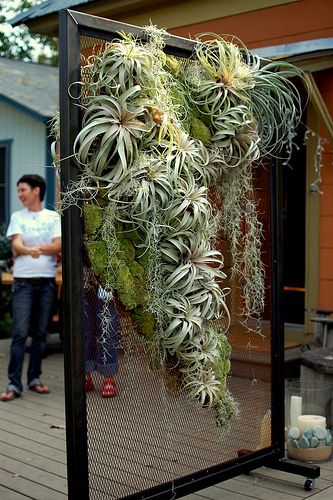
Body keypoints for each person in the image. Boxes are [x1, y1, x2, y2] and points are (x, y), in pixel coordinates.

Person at [0, 174, 61, 402]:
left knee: (40, 334)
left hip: (46, 281)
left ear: (36, 191)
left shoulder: (53, 217)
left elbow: (58, 244)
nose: (19, 194)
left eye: (23, 190)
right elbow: (15, 243)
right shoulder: (18, 217)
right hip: (23, 282)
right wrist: (33, 250)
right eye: (18, 190)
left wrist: (29, 249)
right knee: (19, 334)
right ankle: (14, 383)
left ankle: (34, 378)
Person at [84, 266, 119, 397]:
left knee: (107, 331)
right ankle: (86, 373)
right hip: (82, 276)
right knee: (85, 329)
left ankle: (108, 378)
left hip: (107, 275)